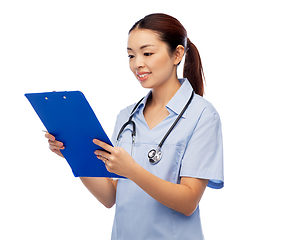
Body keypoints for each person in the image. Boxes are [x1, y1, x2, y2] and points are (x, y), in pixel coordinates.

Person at [45, 13, 224, 240]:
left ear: (177, 54)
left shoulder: (203, 115)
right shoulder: (126, 116)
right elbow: (111, 197)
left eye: (147, 53)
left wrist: (132, 170)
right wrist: (73, 153)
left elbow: (188, 202)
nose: (137, 64)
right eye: (131, 55)